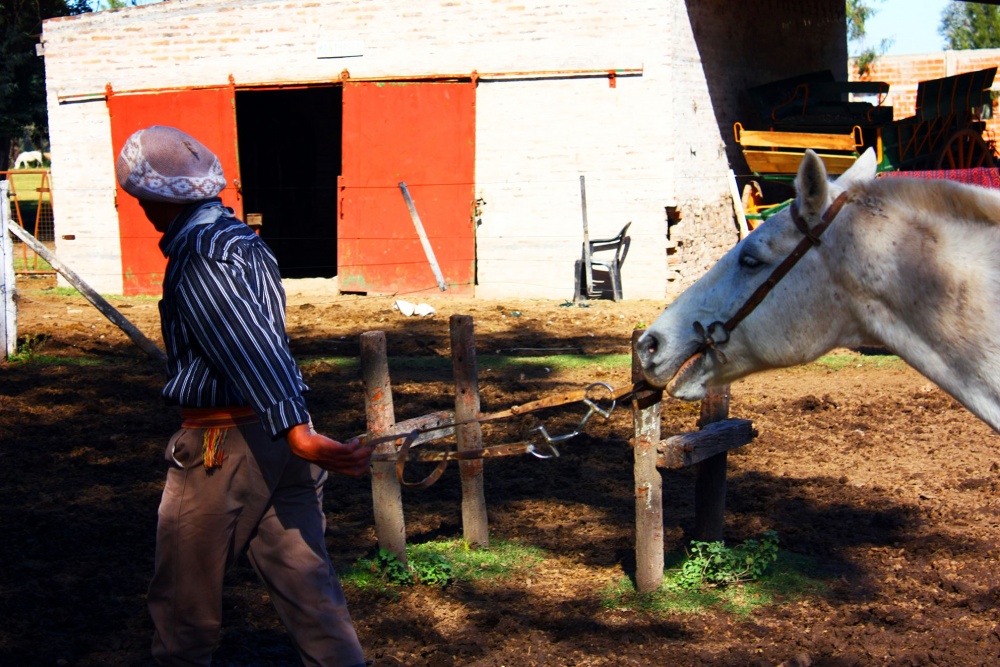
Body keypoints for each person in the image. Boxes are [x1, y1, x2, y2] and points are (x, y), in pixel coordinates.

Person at [116, 125, 374, 667]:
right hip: (275, 444)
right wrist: (292, 425)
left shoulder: (201, 252)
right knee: (310, 591)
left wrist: (296, 429)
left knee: (183, 606)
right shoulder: (241, 241)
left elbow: (247, 345)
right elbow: (264, 339)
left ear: (151, 200)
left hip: (223, 445)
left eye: (140, 200)